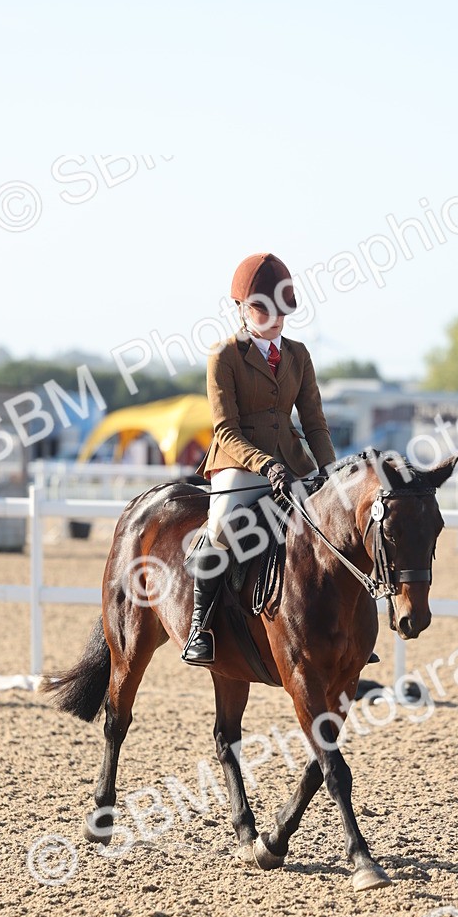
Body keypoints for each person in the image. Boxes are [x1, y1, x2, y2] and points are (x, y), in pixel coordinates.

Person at [182, 252, 336, 665]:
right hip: (238, 462)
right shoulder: (224, 355)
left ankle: (345, 626)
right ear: (240, 308)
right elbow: (225, 429)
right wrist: (265, 465)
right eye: (263, 309)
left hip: (294, 461)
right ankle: (200, 626)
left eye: (282, 310)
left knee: (337, 523)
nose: (275, 318)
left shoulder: (299, 355)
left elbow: (314, 421)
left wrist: (330, 470)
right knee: (221, 527)